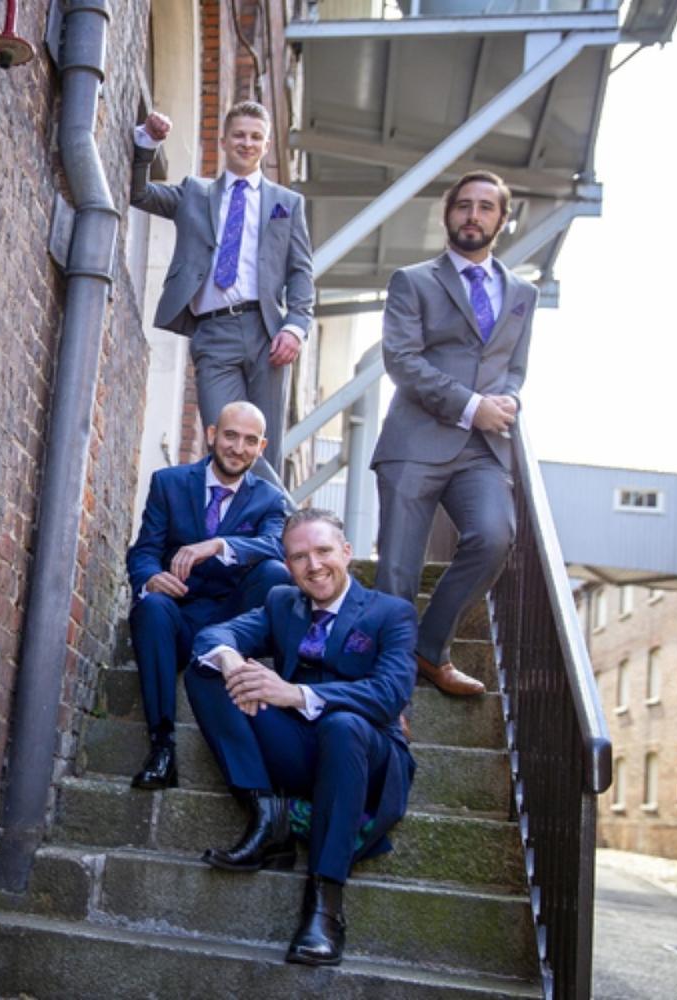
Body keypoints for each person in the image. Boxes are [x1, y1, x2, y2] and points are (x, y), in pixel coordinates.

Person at [184, 508, 416, 966]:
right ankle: (267, 813)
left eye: (324, 551)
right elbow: (215, 634)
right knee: (206, 669)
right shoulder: (281, 604)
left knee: (343, 724)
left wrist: (296, 693)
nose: (314, 566)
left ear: (346, 552)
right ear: (287, 565)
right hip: (299, 750)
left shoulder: (391, 613)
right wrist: (232, 660)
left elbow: (388, 695)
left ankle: (325, 904)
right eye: (299, 557)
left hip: (365, 757)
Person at [371, 169, 536, 699]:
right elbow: (401, 360)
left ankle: (428, 648)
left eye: (486, 207)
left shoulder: (522, 294)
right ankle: (390, 693)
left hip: (482, 451)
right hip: (415, 443)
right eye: (463, 205)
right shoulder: (413, 281)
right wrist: (470, 406)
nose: (473, 215)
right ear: (448, 215)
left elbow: (514, 365)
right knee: (398, 571)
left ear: (501, 220)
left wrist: (508, 397)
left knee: (493, 537)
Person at [130, 101, 315, 474]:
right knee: (227, 441)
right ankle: (292, 519)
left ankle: (266, 528)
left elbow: (300, 271)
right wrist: (147, 143)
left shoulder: (287, 204)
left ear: (265, 146)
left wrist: (296, 326)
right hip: (214, 333)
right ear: (224, 141)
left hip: (268, 334)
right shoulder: (196, 194)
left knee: (265, 446)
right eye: (240, 136)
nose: (247, 143)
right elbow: (141, 194)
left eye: (256, 137)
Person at [125, 401, 292, 790]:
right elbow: (145, 550)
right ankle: (162, 747)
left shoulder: (269, 498)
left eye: (250, 441)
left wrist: (217, 544)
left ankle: (247, 677)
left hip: (234, 622)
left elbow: (275, 546)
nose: (238, 447)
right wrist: (150, 579)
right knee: (150, 607)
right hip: (179, 615)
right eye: (231, 435)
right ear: (212, 434)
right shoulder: (169, 482)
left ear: (261, 447)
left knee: (274, 574)